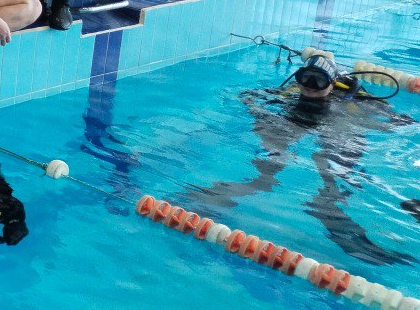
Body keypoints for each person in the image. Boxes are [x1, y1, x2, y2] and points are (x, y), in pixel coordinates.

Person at [178, 58, 417, 267]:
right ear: (298, 78)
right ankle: (236, 191)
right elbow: (249, 97)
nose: (310, 85)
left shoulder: (354, 102)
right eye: (305, 78)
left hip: (336, 127)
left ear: (332, 83)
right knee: (267, 167)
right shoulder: (290, 94)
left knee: (330, 169)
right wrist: (257, 111)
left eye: (319, 80)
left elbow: (398, 122)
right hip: (293, 121)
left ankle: (328, 205)